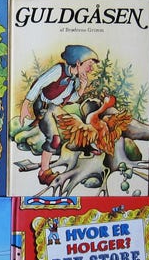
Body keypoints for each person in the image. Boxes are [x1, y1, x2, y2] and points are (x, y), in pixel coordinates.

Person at [20, 45, 99, 185]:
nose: (91, 69)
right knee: (54, 140)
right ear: (78, 63)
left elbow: (70, 98)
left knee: (75, 124)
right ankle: (44, 172)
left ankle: (86, 147)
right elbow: (39, 84)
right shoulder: (59, 70)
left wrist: (82, 88)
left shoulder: (74, 79)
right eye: (89, 65)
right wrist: (26, 105)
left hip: (54, 106)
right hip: (44, 107)